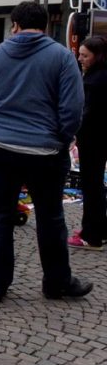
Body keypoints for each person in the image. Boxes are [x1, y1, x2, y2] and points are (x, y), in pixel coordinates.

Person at [0, 1, 89, 302]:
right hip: (45, 151)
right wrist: (62, 137)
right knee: (50, 216)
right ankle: (57, 282)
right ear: (45, 26)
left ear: (15, 25)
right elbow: (73, 107)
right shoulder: (62, 57)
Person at [70, 36, 107, 250]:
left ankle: (91, 235)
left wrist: (74, 133)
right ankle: (99, 229)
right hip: (98, 138)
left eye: (85, 55)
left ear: (97, 56)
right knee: (96, 187)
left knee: (91, 186)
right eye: (80, 54)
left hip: (93, 139)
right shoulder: (99, 76)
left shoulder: (95, 81)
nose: (80, 58)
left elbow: (88, 113)